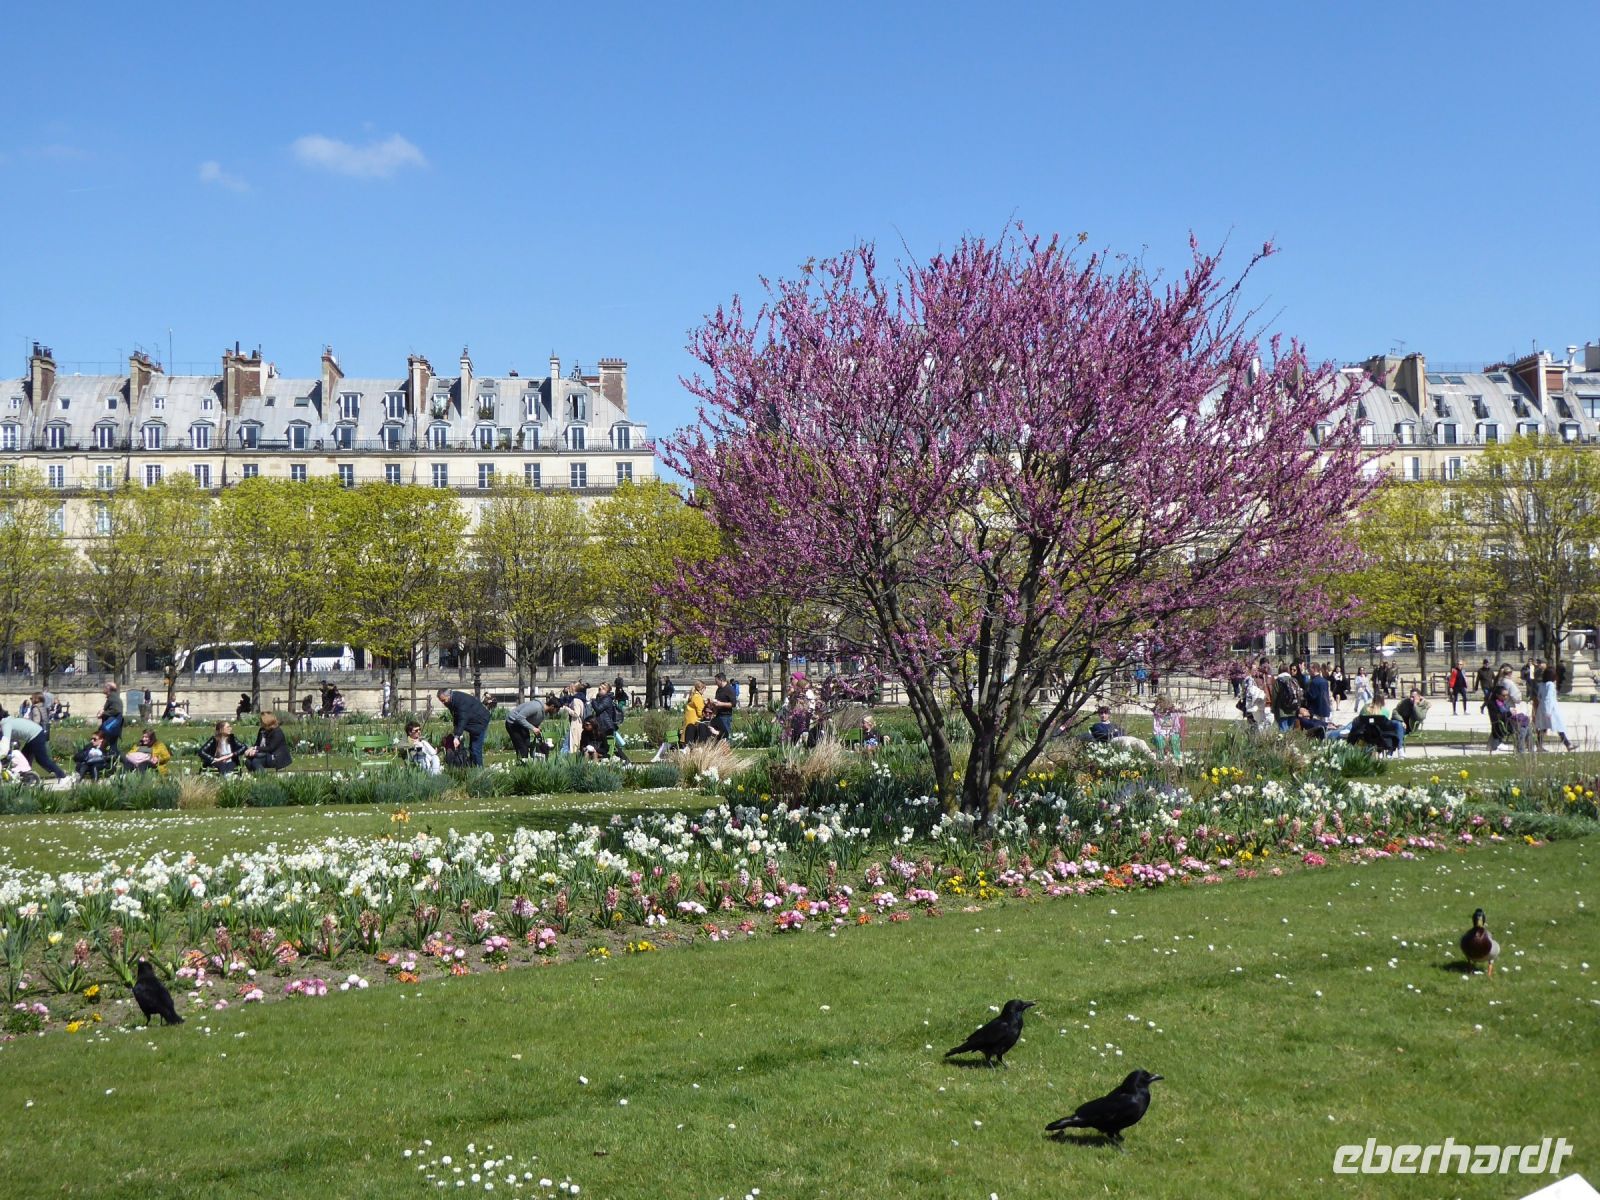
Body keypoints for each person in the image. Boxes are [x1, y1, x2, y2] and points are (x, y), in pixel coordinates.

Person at [0, 705, 68, 783]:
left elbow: (5, 744)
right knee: (24, 758)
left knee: (42, 760)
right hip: (34, 735)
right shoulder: (6, 721)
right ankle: (27, 778)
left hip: (36, 735)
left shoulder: (5, 724)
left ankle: (62, 776)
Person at [436, 687, 491, 767]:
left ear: (448, 696)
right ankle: (473, 767)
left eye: (443, 700)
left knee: (475, 748)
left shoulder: (460, 701)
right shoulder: (451, 701)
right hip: (473, 722)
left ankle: (479, 770)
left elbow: (463, 718)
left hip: (480, 722)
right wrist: (456, 733)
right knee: (472, 748)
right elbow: (456, 717)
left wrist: (457, 735)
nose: (443, 703)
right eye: (441, 701)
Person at [1534, 666, 1575, 752]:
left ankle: (1539, 745)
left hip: (1542, 708)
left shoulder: (1541, 685)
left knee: (1543, 727)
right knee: (1558, 725)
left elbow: (1539, 696)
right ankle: (1568, 744)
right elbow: (1549, 698)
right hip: (1551, 709)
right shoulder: (1551, 685)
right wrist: (1548, 711)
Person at [1150, 694, 1183, 762]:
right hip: (1161, 734)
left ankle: (1177, 759)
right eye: (1159, 702)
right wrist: (1163, 735)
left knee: (1175, 738)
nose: (1161, 704)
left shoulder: (1173, 712)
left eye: (1162, 702)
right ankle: (1160, 759)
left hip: (1171, 733)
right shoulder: (1157, 714)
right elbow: (1156, 727)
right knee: (1159, 739)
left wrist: (1170, 734)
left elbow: (1175, 726)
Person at [98, 681, 125, 754]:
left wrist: (103, 713)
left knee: (111, 746)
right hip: (113, 726)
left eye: (105, 687)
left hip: (112, 726)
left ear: (108, 688)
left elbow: (116, 710)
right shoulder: (112, 697)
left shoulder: (113, 698)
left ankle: (122, 760)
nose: (103, 688)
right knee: (112, 746)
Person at [682, 681, 711, 745]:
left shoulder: (694, 695)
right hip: (694, 721)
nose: (704, 692)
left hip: (689, 719)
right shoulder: (697, 697)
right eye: (704, 689)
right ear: (701, 689)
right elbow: (700, 711)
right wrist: (707, 716)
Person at [711, 673, 737, 741]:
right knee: (718, 735)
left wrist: (720, 704)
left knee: (725, 735)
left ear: (721, 680)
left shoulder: (729, 689)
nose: (715, 683)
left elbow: (733, 704)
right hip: (718, 715)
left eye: (716, 681)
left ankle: (726, 749)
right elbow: (717, 701)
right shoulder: (719, 689)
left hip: (726, 716)